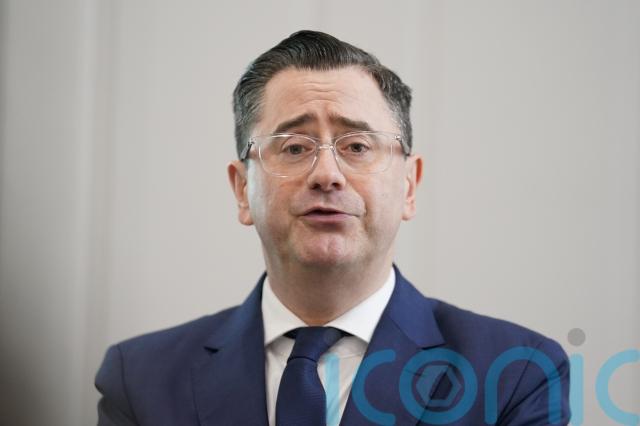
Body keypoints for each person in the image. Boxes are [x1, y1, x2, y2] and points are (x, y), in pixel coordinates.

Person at [95, 30, 570, 425]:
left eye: (357, 146)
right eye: (294, 147)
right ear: (242, 190)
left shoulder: (516, 375)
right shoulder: (140, 379)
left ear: (409, 186)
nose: (327, 174)